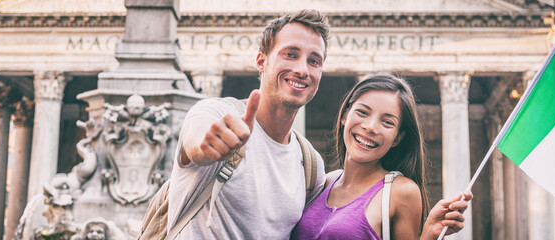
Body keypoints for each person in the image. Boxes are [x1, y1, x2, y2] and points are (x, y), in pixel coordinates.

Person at [140, 9, 471, 239]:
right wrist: (205, 145)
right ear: (261, 61)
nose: (302, 68)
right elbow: (197, 137)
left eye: (314, 60)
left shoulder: (309, 167)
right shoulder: (215, 114)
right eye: (290, 54)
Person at [292, 75, 472, 239]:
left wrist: (429, 233)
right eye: (362, 112)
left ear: (398, 138)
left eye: (387, 122)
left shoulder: (401, 191)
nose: (370, 127)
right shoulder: (324, 181)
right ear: (345, 115)